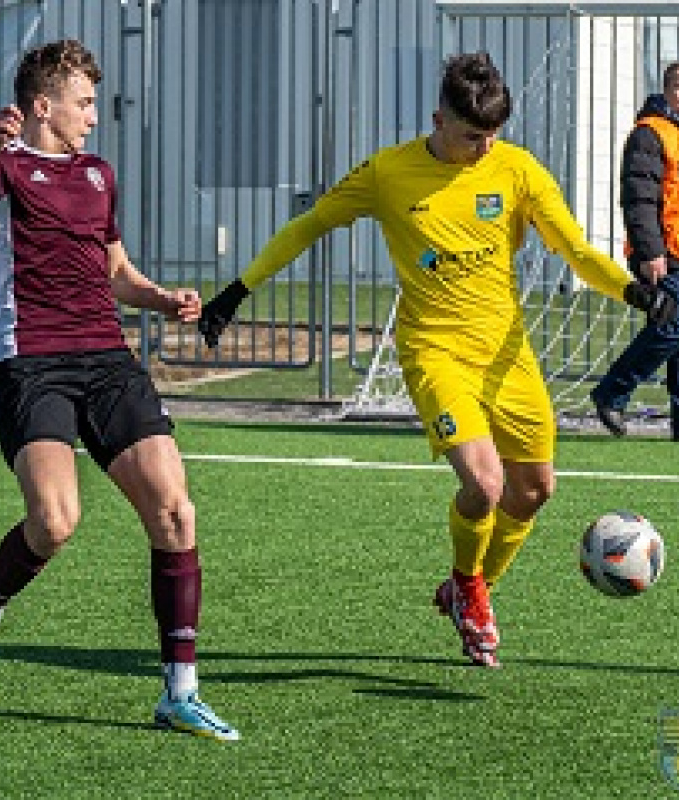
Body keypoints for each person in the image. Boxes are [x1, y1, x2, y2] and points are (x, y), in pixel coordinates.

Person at [199, 52, 675, 668]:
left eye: (495, 135)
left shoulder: (517, 170)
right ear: (438, 119)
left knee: (534, 492)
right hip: (435, 352)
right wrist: (238, 290)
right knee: (484, 481)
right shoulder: (387, 173)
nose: (486, 148)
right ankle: (472, 589)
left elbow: (574, 248)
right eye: (474, 135)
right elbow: (309, 226)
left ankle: (467, 590)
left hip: (505, 352)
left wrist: (632, 291)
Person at [0, 40, 239, 742]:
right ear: (43, 106)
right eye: (83, 103)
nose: (94, 117)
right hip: (31, 364)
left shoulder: (99, 175)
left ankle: (180, 692)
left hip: (108, 360)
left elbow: (116, 271)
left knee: (175, 512)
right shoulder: (4, 167)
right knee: (54, 522)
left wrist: (162, 299)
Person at [591, 62, 679, 440]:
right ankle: (612, 392)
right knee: (669, 326)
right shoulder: (650, 134)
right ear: (670, 90)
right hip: (662, 252)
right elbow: (638, 197)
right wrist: (650, 251)